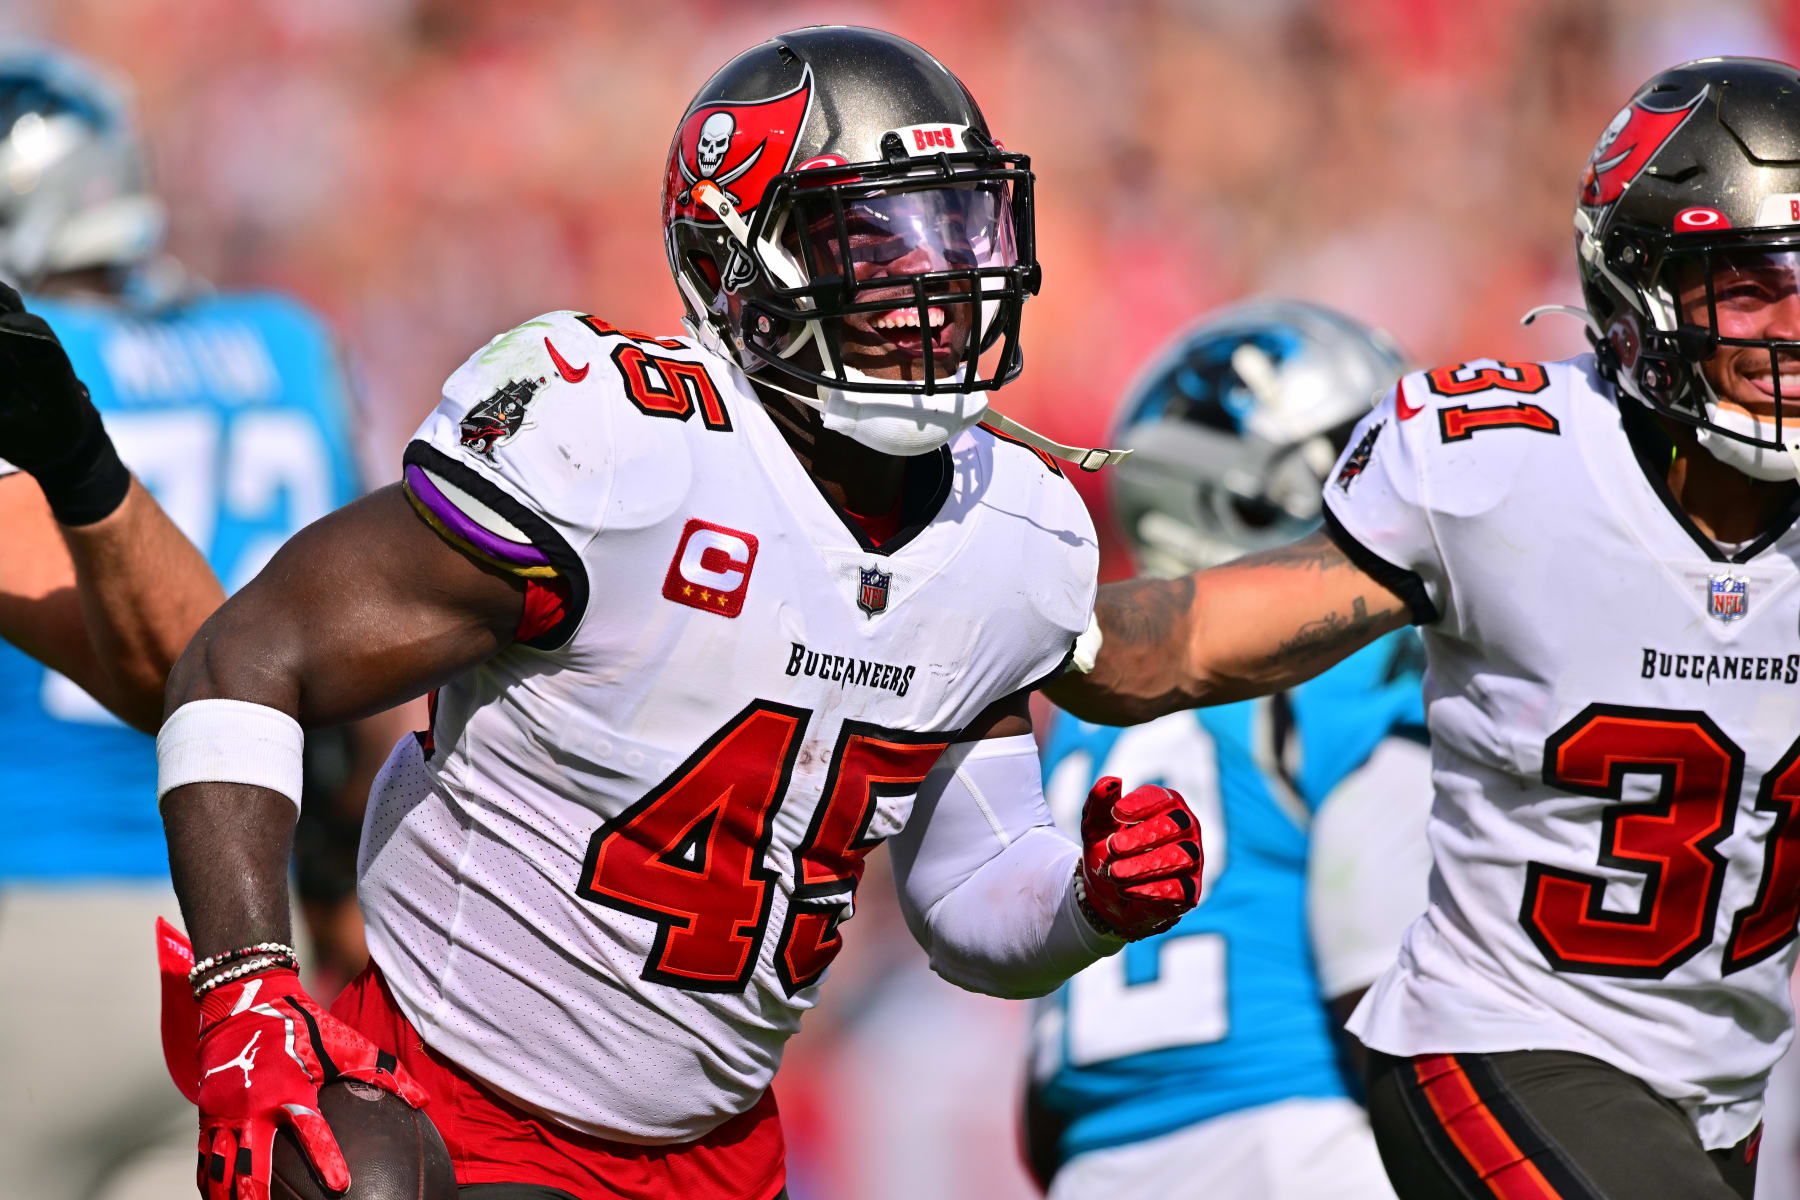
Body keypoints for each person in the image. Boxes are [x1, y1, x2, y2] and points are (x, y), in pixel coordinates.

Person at [155, 27, 1205, 1200]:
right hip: (450, 1109)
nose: (938, 284)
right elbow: (246, 656)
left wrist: (1085, 900)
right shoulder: (619, 449)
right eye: (877, 240)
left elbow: (968, 897)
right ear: (740, 260)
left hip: (721, 1155)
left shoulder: (1009, 528)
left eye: (957, 227)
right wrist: (244, 988)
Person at [1048, 57, 1800, 1200]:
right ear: (1642, 292)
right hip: (1501, 1040)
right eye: (1750, 286)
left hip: (1717, 1092)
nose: (1793, 326)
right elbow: (1194, 638)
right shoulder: (1510, 471)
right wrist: (1003, 620)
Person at [0, 44, 365, 1200]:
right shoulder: (288, 347)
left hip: (30, 911)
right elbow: (357, 662)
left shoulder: (41, 368)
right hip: (243, 927)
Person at [1023, 300, 1432, 1199]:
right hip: (1306, 1134)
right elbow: (1378, 967)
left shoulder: (1082, 721)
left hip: (1093, 1160)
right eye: (1355, 467)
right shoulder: (1342, 670)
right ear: (1252, 493)